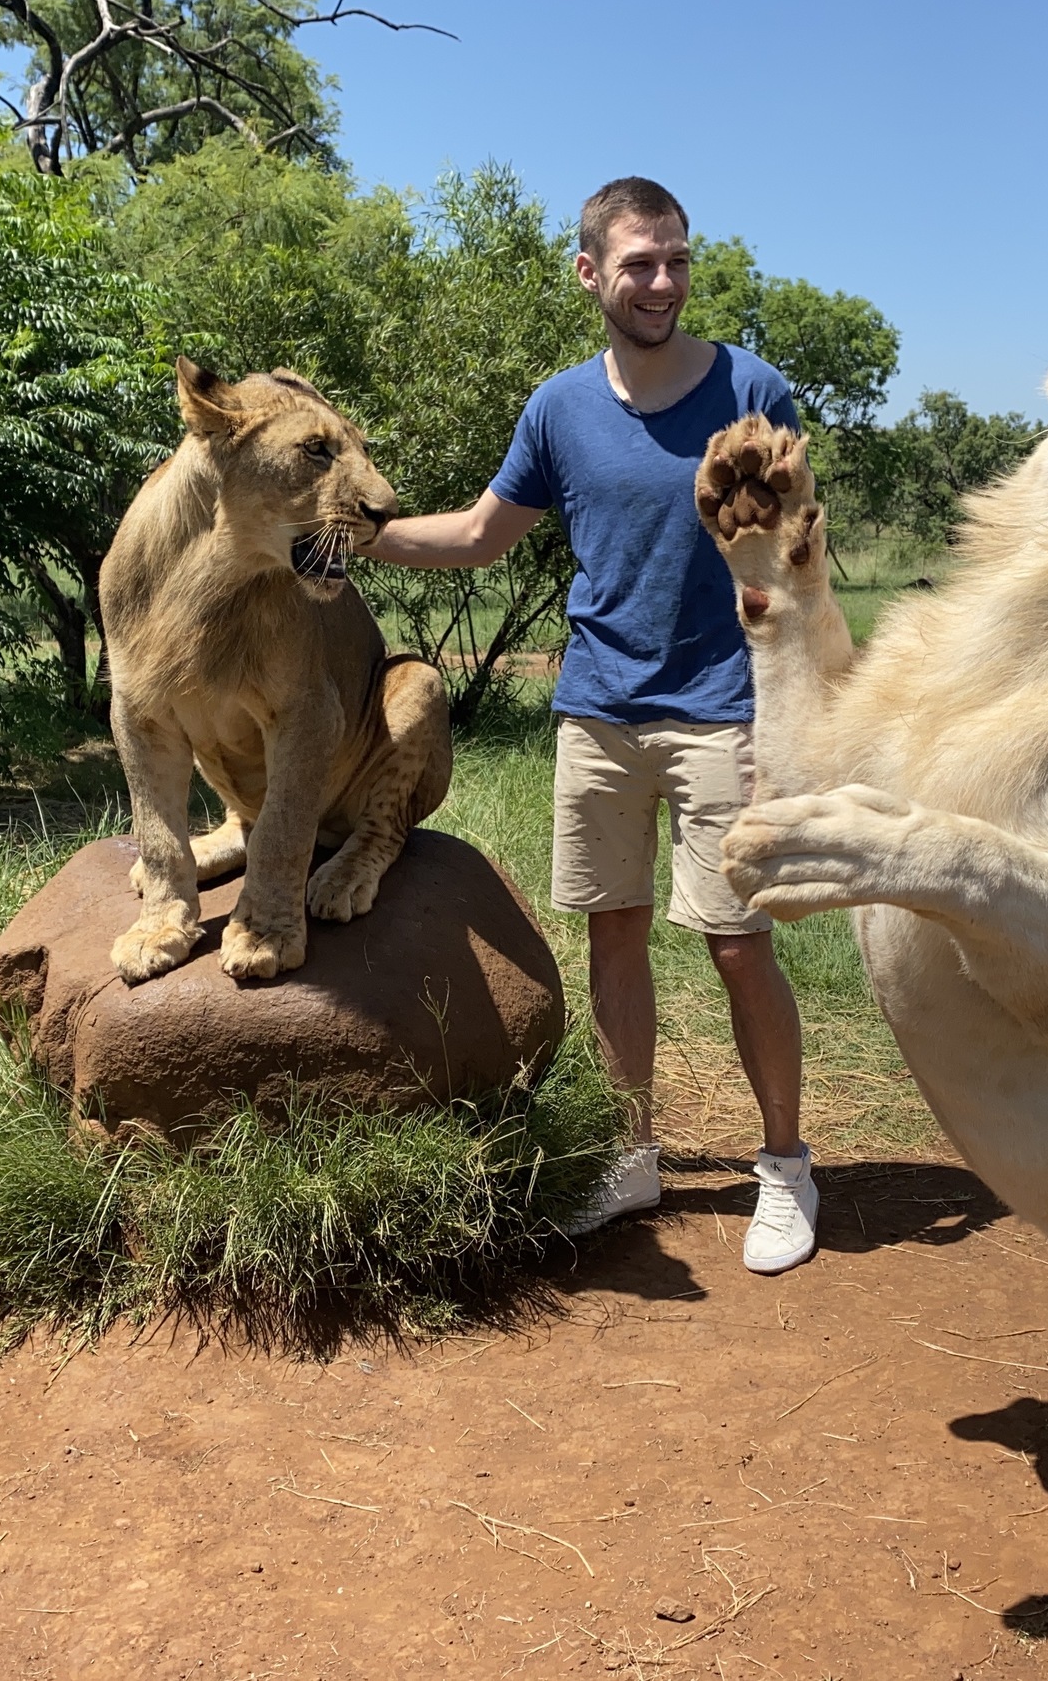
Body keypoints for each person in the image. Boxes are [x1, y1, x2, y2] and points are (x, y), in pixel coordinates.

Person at [359, 176, 817, 1275]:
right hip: (597, 712)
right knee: (611, 932)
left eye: (675, 260)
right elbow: (478, 536)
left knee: (734, 942)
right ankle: (631, 1155)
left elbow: (799, 568)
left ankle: (786, 1168)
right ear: (589, 274)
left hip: (722, 714)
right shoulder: (557, 409)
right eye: (636, 263)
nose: (660, 282)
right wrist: (353, 535)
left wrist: (790, 716)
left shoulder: (753, 390)